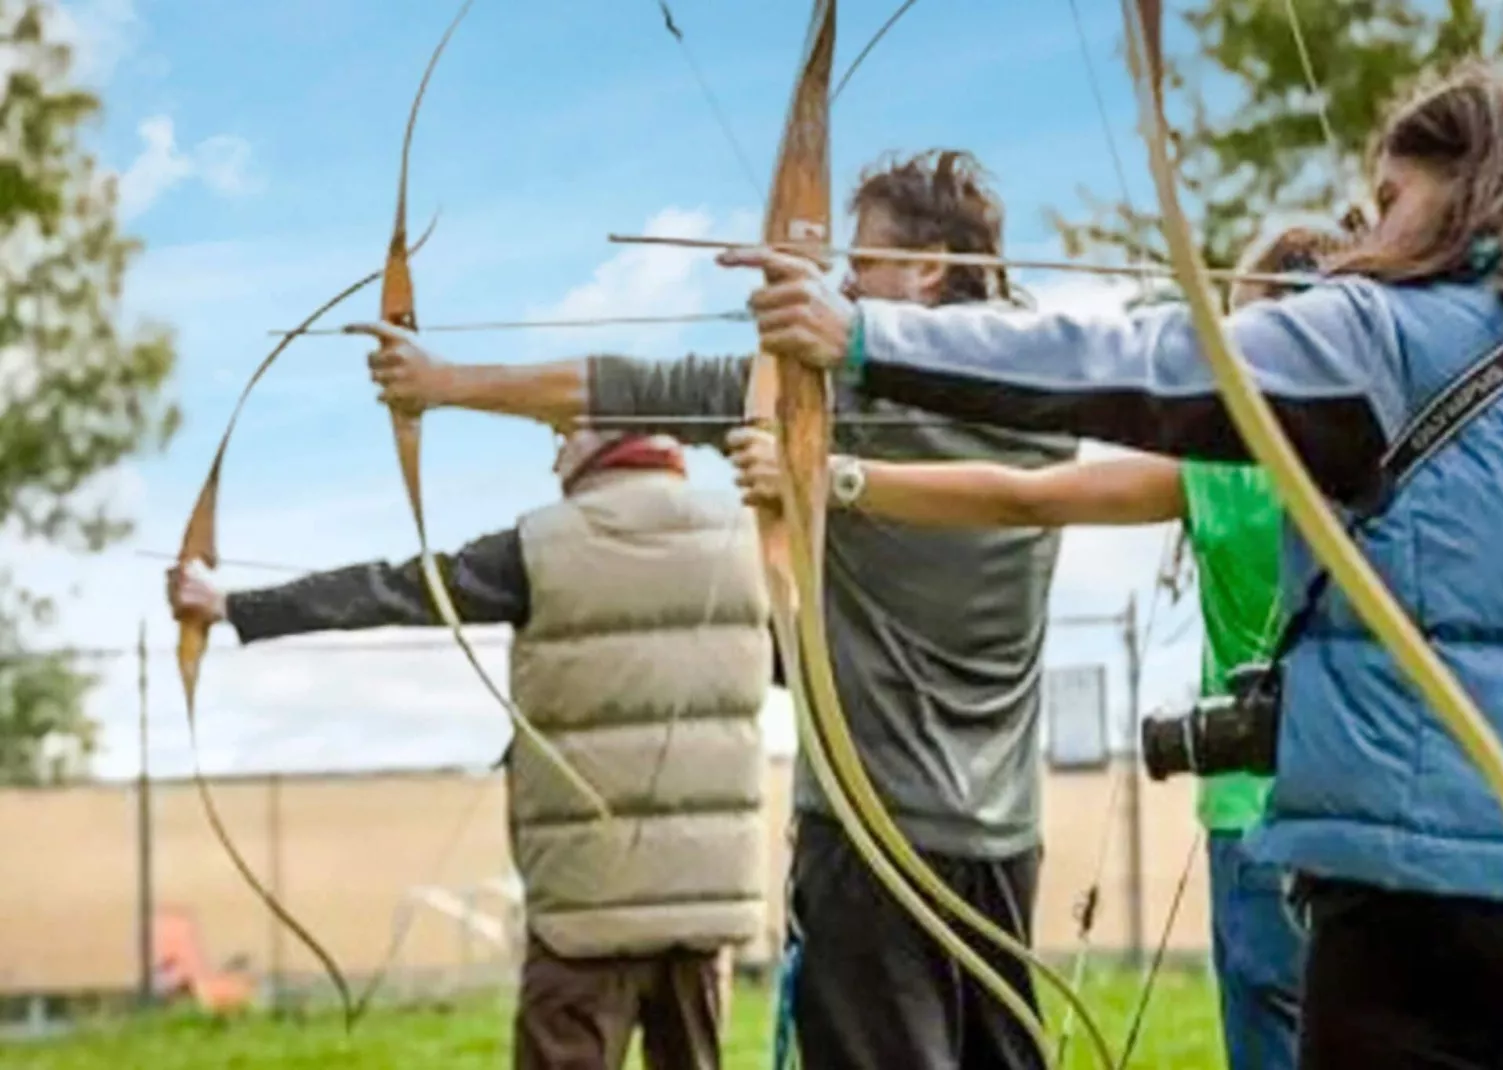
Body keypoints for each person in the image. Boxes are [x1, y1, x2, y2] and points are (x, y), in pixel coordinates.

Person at [721, 62, 1503, 1070]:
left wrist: (862, 334)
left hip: (1418, 884)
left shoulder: (1379, 330)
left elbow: (1137, 360)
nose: (1364, 237)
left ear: (1466, 189)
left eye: (1390, 201)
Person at [349, 150, 1079, 1070]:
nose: (846, 282)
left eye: (866, 263)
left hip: (871, 837)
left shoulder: (843, 399)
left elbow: (631, 391)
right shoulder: (1053, 396)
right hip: (1004, 836)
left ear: (930, 268)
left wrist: (447, 382)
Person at [727, 225, 1337, 1070]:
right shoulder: (1400, 447)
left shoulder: (1224, 465)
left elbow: (1028, 497)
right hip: (1377, 815)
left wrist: (835, 477)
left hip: (1253, 814)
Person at [166, 429, 772, 1070]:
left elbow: (396, 589)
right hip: (706, 910)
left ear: (607, 436)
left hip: (584, 909)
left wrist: (230, 604)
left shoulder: (545, 545)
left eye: (566, 434)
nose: (555, 453)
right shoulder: (749, 543)